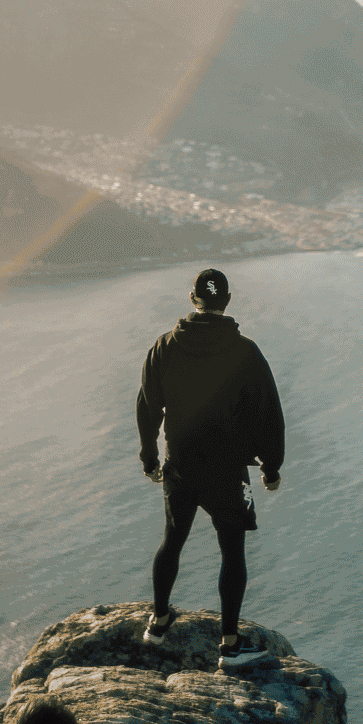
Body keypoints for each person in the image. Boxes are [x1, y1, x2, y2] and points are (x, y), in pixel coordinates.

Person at [135, 267, 284, 668]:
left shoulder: (165, 346)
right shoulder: (244, 352)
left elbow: (148, 406)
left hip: (180, 465)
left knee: (172, 539)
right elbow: (267, 413)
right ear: (228, 300)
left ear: (192, 298)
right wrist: (271, 468)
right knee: (232, 552)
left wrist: (150, 459)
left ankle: (159, 620)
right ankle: (230, 645)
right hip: (226, 469)